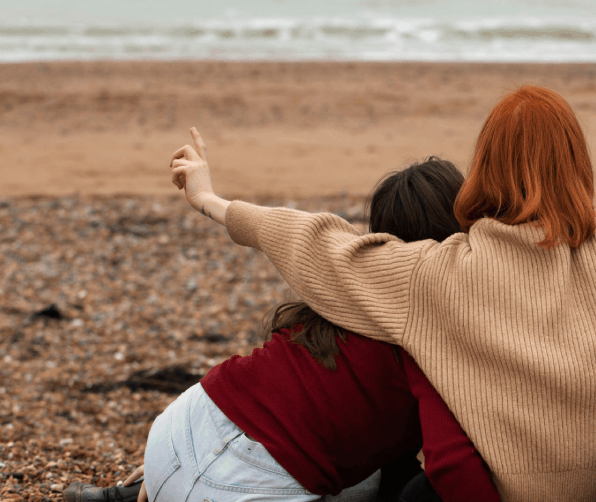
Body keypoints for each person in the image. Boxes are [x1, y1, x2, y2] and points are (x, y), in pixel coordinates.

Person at [166, 20, 596, 499]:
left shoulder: (435, 273)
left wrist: (214, 203)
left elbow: (316, 242)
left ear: (486, 166)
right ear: (578, 163)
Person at [65, 158, 500, 502]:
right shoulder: (428, 334)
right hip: (239, 483)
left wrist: (172, 464)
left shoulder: (342, 286)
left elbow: (294, 230)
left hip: (179, 426)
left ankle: (141, 492)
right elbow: (451, 462)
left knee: (364, 464)